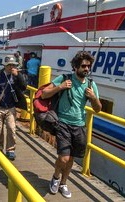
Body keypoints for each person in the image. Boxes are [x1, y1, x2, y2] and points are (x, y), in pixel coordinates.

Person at [41, 51, 102, 199]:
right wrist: (60, 87)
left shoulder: (91, 84)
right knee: (64, 158)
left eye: (88, 66)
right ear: (75, 67)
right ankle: (55, 178)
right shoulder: (65, 78)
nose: (86, 69)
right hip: (63, 123)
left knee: (72, 158)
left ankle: (63, 183)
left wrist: (93, 98)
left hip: (80, 126)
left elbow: (98, 109)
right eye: (83, 66)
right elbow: (44, 94)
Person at [0, 55, 27, 160]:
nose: (11, 67)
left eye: (13, 65)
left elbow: (24, 87)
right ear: (5, 66)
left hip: (11, 107)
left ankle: (10, 150)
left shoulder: (17, 76)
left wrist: (18, 76)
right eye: (9, 65)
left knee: (11, 129)